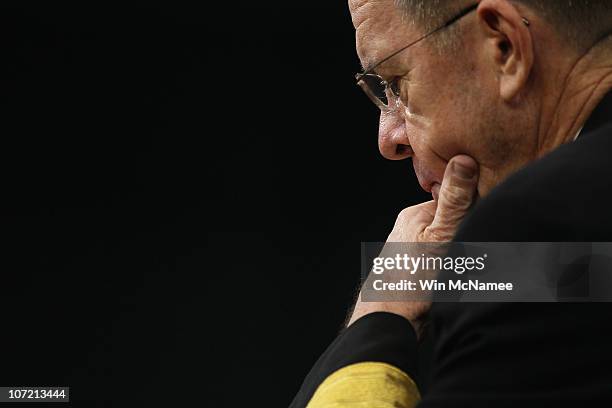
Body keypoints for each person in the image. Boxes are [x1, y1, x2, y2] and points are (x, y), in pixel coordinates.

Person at [290, 0, 612, 406]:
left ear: (505, 47)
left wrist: (382, 315)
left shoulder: (536, 232)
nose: (388, 139)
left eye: (394, 81)